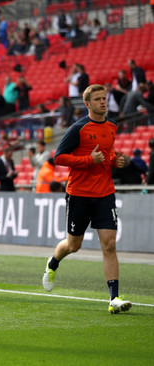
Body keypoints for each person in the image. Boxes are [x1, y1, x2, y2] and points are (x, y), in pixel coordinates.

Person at [41, 84, 132, 314]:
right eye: (98, 99)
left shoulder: (112, 127)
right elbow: (58, 157)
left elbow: (108, 154)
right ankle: (52, 263)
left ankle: (114, 298)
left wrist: (115, 161)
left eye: (105, 98)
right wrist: (88, 160)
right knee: (73, 245)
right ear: (88, 104)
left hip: (105, 194)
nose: (103, 102)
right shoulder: (77, 128)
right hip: (79, 194)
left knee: (109, 245)